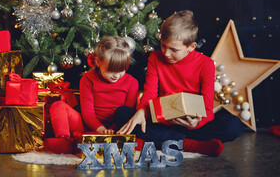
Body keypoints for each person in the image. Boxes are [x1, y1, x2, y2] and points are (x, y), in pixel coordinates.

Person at [116, 10, 243, 157]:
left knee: (233, 126)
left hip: (191, 124)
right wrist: (142, 111)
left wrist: (197, 123)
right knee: (122, 114)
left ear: (192, 47)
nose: (166, 53)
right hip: (162, 121)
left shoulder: (206, 64)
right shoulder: (155, 58)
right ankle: (191, 144)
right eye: (163, 46)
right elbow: (149, 92)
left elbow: (208, 108)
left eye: (174, 49)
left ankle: (168, 139)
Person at [43, 36, 139, 154]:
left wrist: (112, 130)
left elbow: (127, 114)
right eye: (110, 70)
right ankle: (64, 140)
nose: (116, 75)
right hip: (88, 125)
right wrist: (100, 129)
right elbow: (88, 113)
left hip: (118, 129)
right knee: (58, 106)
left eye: (121, 70)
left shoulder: (132, 82)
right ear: (98, 62)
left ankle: (80, 143)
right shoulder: (88, 79)